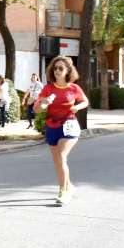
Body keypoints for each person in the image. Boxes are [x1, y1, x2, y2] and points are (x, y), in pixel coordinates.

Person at [33, 55, 89, 206]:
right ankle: (69, 186)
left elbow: (85, 101)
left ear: (67, 71)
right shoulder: (48, 88)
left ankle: (63, 192)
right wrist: (43, 103)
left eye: (60, 68)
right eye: (55, 68)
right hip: (52, 126)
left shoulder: (73, 88)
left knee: (61, 156)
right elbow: (37, 109)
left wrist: (77, 107)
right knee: (58, 161)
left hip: (69, 125)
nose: (57, 71)